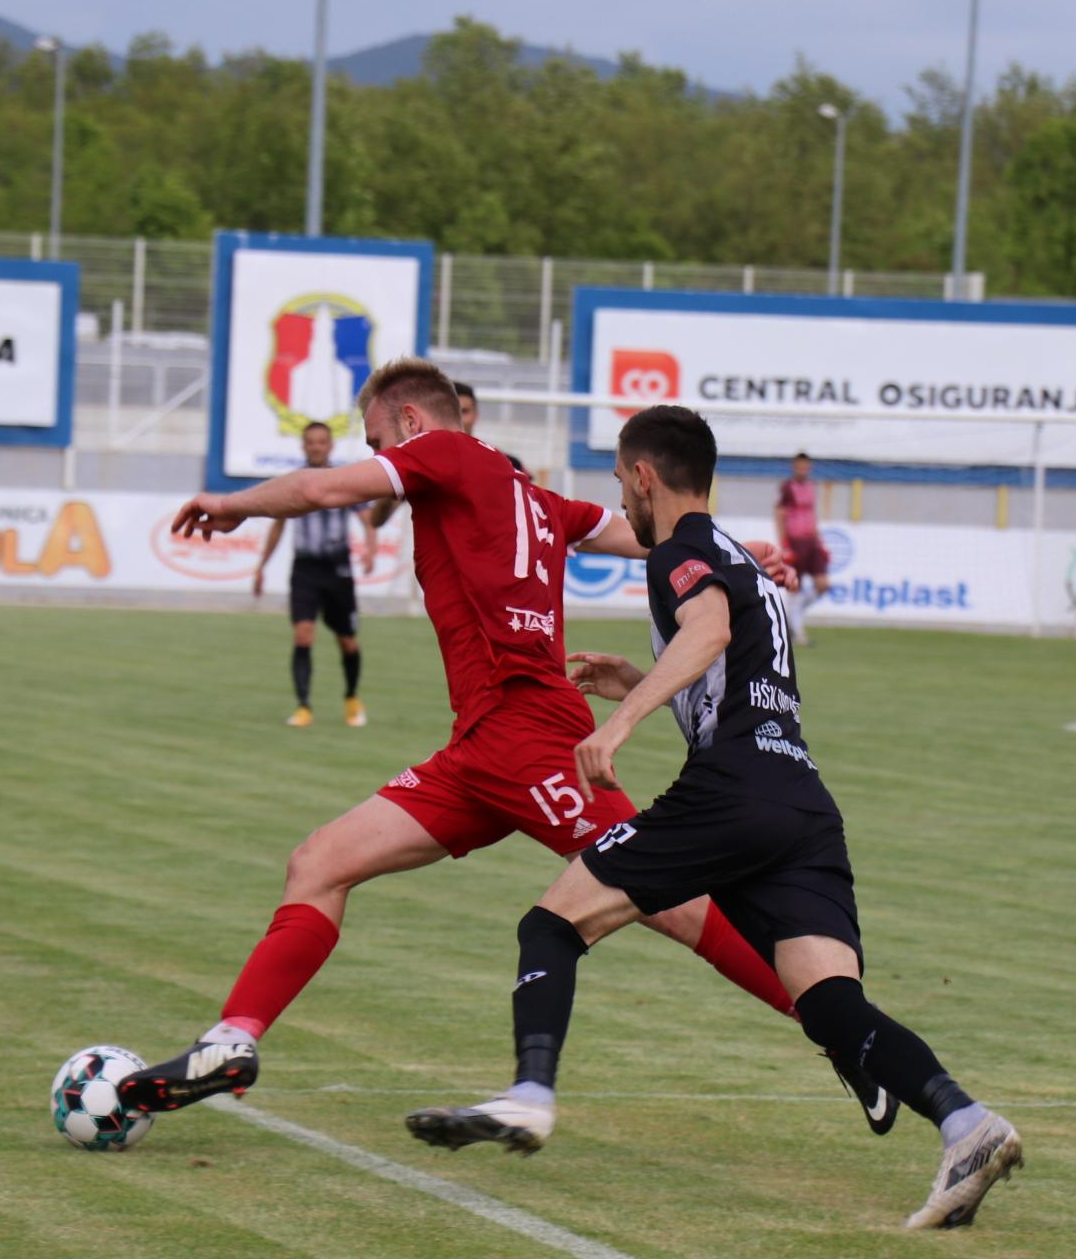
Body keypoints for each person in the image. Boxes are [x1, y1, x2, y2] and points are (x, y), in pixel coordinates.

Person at [118, 360, 800, 1114]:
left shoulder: (442, 453)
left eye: (379, 438)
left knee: (669, 900)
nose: (382, 456)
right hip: (477, 753)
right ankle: (231, 1041)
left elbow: (318, 489)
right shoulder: (537, 499)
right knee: (319, 861)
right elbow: (641, 534)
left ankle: (833, 1022)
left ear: (411, 423)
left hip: (530, 737)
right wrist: (740, 553)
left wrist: (231, 503)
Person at [406, 405, 1022, 1232]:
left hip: (729, 793)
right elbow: (734, 669)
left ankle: (529, 1094)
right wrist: (639, 679)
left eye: (622, 481)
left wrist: (618, 725)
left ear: (643, 476)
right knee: (829, 1002)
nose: (621, 498)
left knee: (551, 925)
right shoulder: (738, 556)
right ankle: (965, 1122)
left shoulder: (680, 553)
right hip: (802, 801)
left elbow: (707, 630)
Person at [253, 421, 379, 728]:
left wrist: (371, 549)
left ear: (330, 445)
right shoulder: (294, 484)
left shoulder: (344, 481)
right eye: (310, 442)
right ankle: (304, 706)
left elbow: (368, 519)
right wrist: (261, 566)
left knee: (347, 640)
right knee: (303, 633)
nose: (316, 447)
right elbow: (278, 525)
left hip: (338, 568)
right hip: (305, 569)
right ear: (304, 446)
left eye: (321, 442)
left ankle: (351, 697)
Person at [368, 379, 519, 528]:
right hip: (423, 551)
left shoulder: (503, 464)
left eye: (464, 411)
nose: (459, 419)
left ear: (476, 415)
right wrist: (397, 481)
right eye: (453, 412)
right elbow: (376, 520)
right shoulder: (418, 463)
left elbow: (521, 523)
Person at [776, 452, 831, 646]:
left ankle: (794, 617)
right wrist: (783, 544)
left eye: (805, 466)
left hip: (811, 542)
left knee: (823, 584)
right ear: (794, 467)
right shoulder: (787, 488)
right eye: (799, 466)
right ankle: (798, 633)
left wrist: (820, 542)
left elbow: (812, 515)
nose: (802, 469)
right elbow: (780, 514)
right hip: (795, 541)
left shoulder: (811, 487)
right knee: (794, 587)